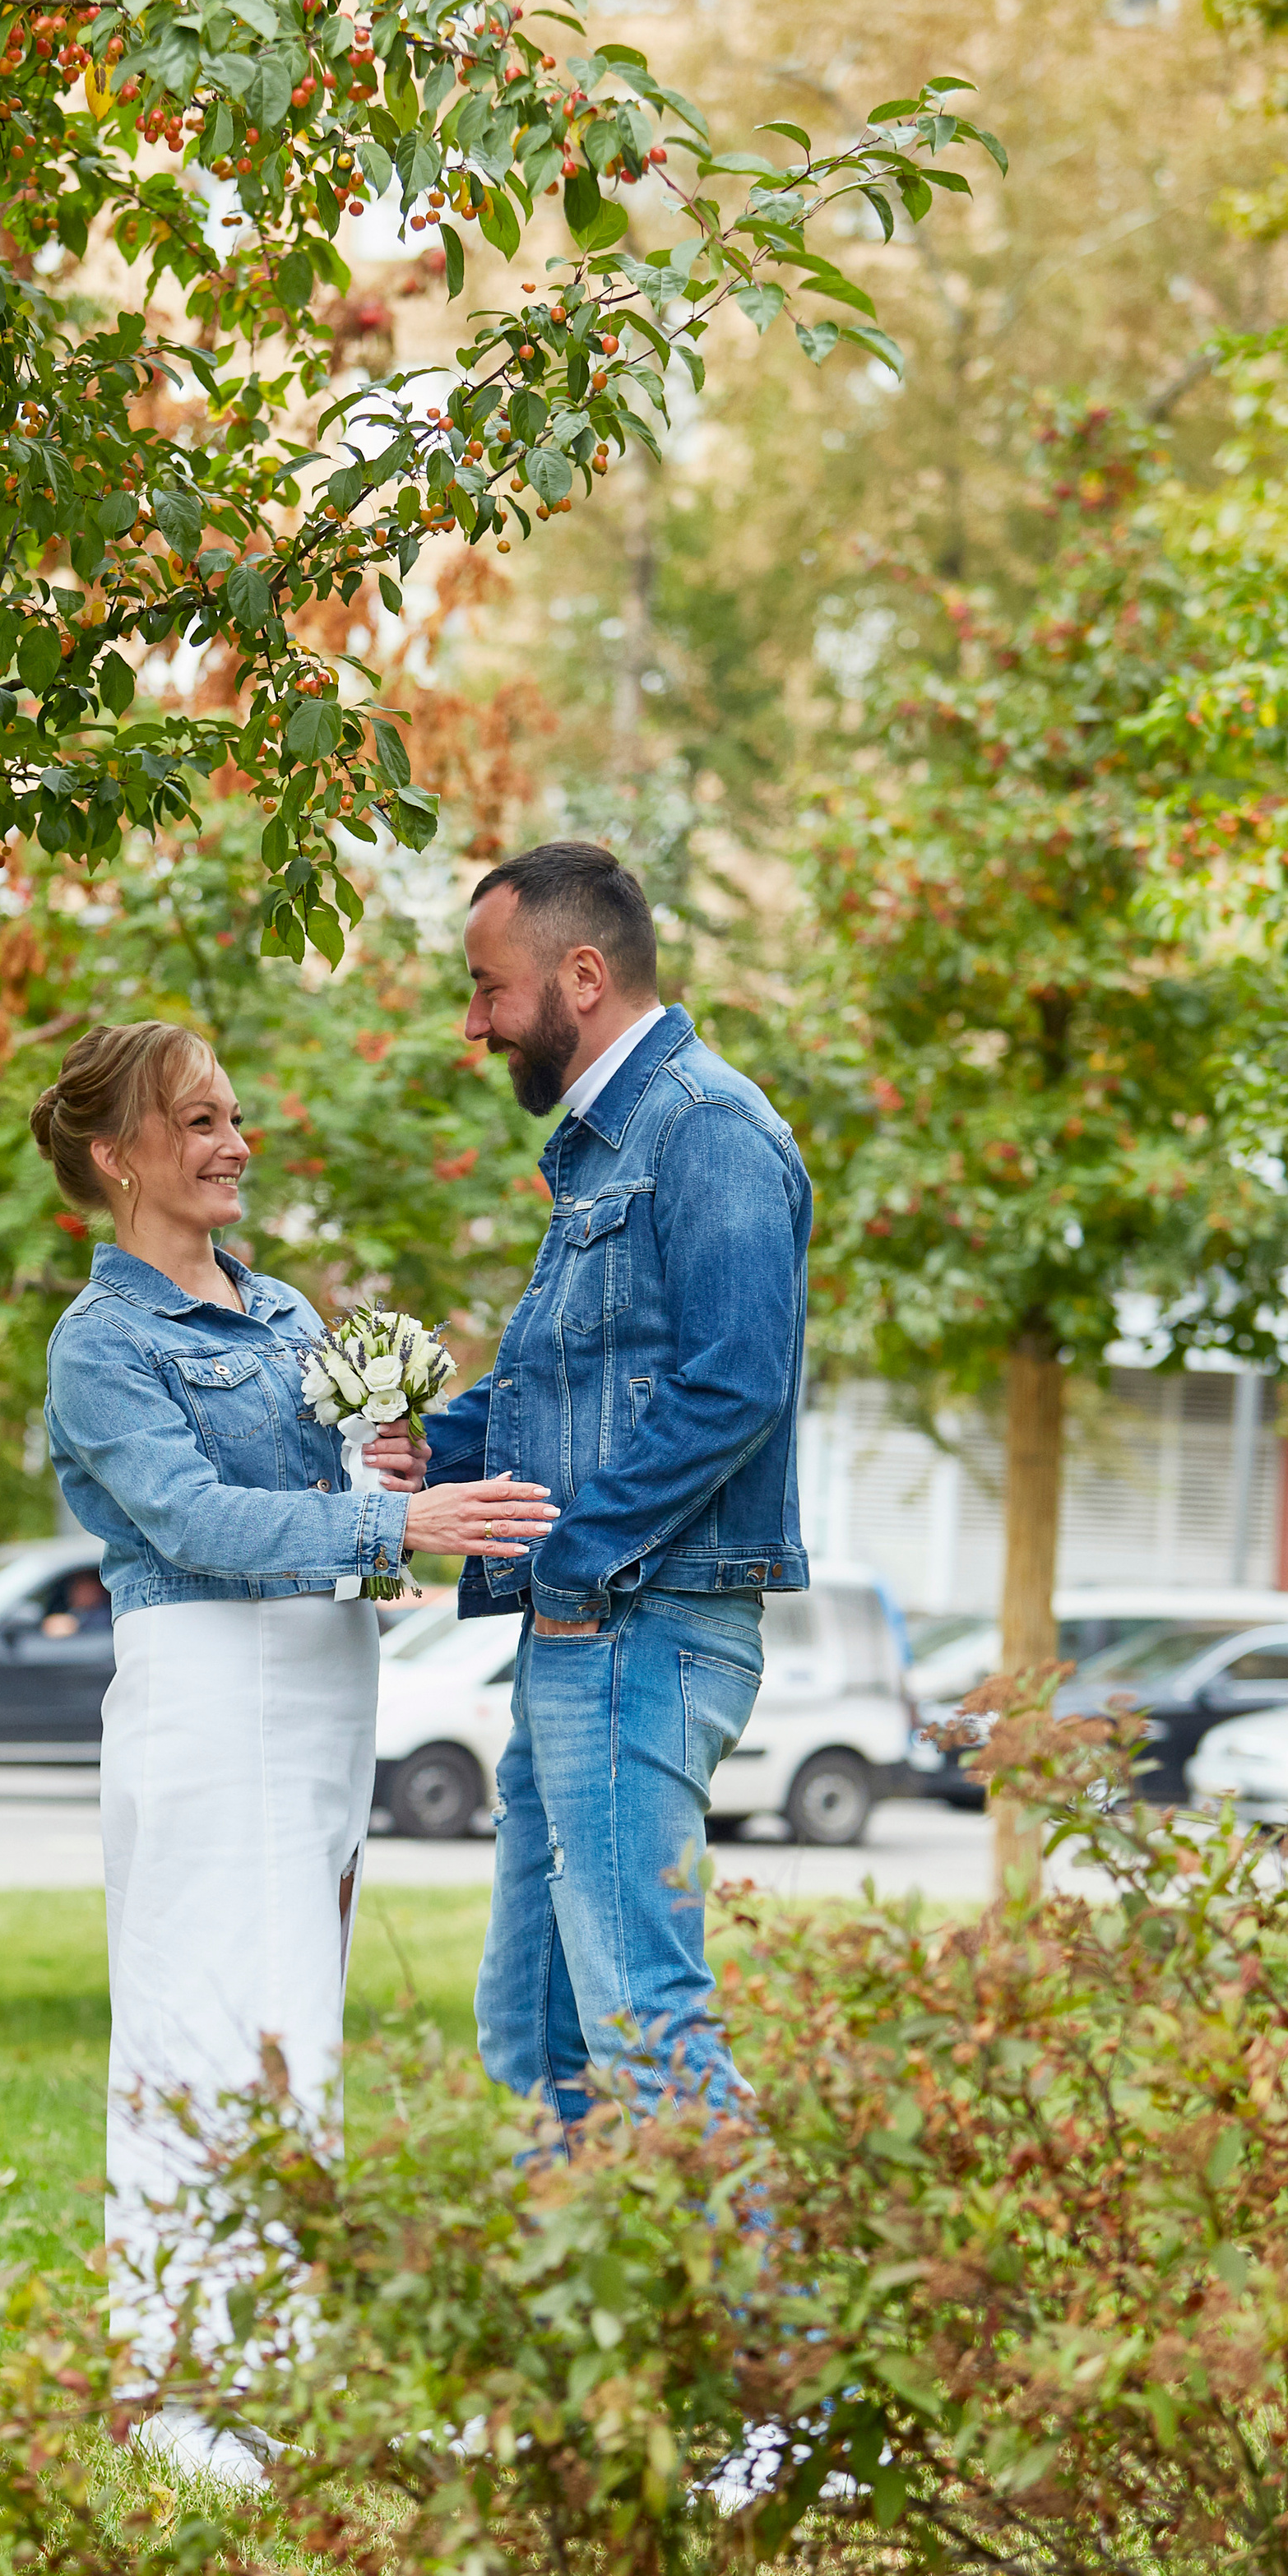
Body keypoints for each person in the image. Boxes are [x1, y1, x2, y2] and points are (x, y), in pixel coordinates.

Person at [33, 1020, 557, 2484]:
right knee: (199, 2026)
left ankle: (283, 2366)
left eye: (233, 1116)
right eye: (197, 1122)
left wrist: (384, 1470)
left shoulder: (284, 1316)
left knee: (293, 2031)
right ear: (116, 1155)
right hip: (207, 1695)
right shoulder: (104, 1344)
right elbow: (193, 1520)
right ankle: (169, 2390)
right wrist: (398, 1521)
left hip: (323, 1693)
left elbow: (331, 1509)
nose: (234, 1144)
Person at [420, 842, 812, 2132]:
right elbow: (564, 1379)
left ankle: (756, 2276)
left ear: (580, 978)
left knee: (646, 2026)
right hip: (587, 1626)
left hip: (643, 1624)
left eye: (488, 988)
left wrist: (575, 1564)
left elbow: (735, 1384)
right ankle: (576, 2266)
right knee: (537, 2038)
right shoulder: (609, 1147)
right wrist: (425, 1451)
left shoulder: (705, 1128)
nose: (475, 1023)